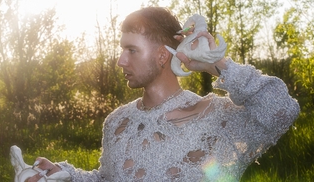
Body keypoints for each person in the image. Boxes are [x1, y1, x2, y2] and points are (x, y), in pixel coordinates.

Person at [27, 7, 300, 182]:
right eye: (122, 50)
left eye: (131, 50)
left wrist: (215, 64)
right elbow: (107, 178)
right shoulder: (117, 121)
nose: (120, 61)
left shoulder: (217, 120)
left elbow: (281, 110)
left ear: (161, 56)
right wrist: (67, 176)